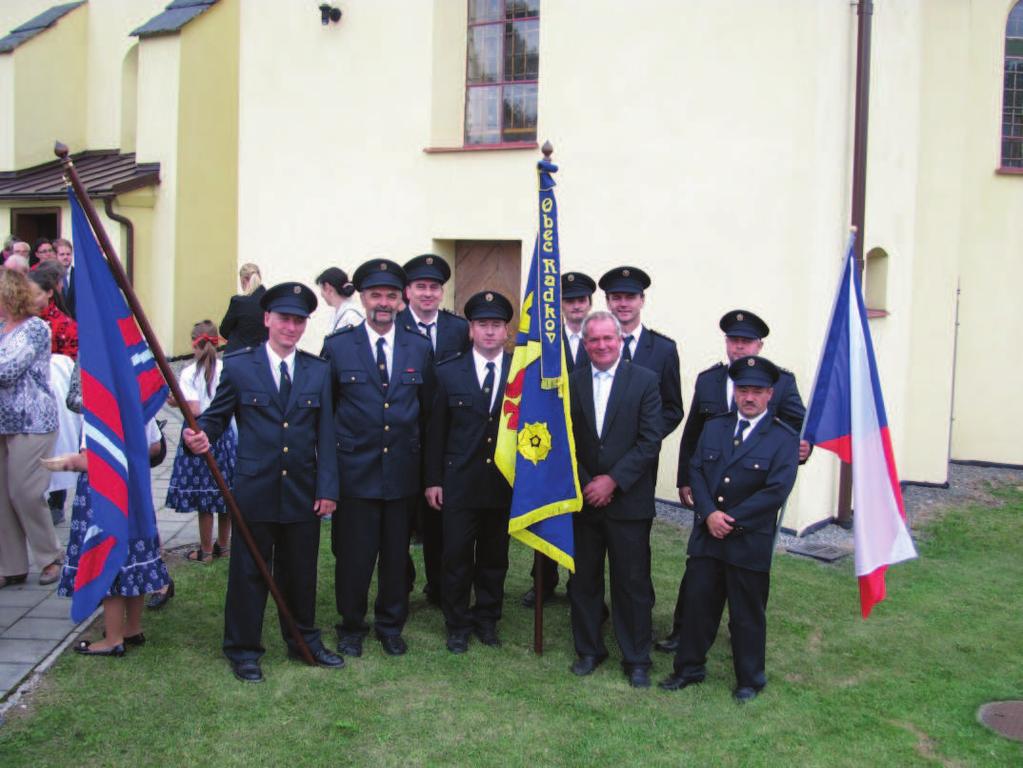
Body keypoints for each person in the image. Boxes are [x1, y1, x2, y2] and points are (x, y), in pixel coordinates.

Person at [183, 282, 342, 683]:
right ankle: (243, 648)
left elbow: (326, 434)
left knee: (301, 572)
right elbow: (215, 419)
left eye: (299, 320)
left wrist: (327, 488)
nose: (291, 327)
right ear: (267, 320)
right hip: (254, 488)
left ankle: (303, 638)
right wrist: (198, 436)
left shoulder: (317, 370)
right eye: (284, 319)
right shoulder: (238, 366)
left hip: (303, 491)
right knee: (249, 572)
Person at [657, 308, 810, 653]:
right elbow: (694, 431)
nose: (739, 348)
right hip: (710, 492)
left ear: (760, 345)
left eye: (746, 342)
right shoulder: (709, 380)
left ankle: (738, 633)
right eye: (733, 341)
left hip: (753, 493)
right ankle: (685, 631)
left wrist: (805, 448)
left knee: (747, 574)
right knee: (699, 569)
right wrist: (684, 479)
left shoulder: (780, 383)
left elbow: (798, 428)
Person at [659, 356, 799, 702]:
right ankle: (688, 668)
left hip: (748, 541)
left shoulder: (783, 438)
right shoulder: (715, 427)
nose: (748, 397)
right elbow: (697, 471)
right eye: (742, 390)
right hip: (708, 535)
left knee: (746, 614)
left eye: (756, 391)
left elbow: (776, 491)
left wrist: (729, 519)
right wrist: (708, 514)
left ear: (770, 394)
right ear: (735, 392)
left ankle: (750, 679)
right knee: (697, 606)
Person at [322, 259, 434, 658]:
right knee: (354, 557)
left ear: (401, 301)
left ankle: (390, 625)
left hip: (402, 474)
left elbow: (427, 413)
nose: (383, 303)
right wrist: (329, 480)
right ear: (363, 298)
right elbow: (326, 415)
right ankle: (351, 625)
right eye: (375, 295)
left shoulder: (418, 347)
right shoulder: (338, 347)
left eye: (390, 295)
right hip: (355, 474)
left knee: (395, 558)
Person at [567, 311, 663, 688]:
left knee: (632, 583)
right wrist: (588, 482)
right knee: (584, 581)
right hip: (584, 500)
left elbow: (649, 440)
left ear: (620, 341)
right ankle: (589, 649)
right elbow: (566, 441)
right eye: (595, 340)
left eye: (609, 339)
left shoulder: (645, 382)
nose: (602, 345)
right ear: (586, 343)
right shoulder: (571, 383)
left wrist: (613, 481)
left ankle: (636, 656)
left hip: (628, 503)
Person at [425, 290, 513, 653]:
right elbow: (435, 431)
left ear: (507, 331)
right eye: (482, 325)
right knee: (457, 556)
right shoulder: (447, 372)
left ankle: (487, 619)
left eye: (496, 325)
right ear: (471, 330)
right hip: (459, 482)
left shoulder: (519, 372)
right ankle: (457, 623)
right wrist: (432, 479)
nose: (490, 332)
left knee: (494, 558)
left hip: (503, 483)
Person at [49, 419, 171, 656]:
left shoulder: (99, 407)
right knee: (134, 557)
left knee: (106, 559)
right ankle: (132, 628)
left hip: (105, 493)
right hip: (135, 487)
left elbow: (89, 460)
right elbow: (156, 447)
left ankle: (113, 638)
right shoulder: (137, 404)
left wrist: (69, 462)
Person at [521, 270, 596, 610]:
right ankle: (544, 582)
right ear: (560, 305)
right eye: (569, 300)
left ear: (590, 303)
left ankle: (580, 583)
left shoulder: (601, 338)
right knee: (549, 510)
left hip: (591, 448)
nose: (576, 306)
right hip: (553, 443)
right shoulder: (547, 340)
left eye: (581, 300)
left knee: (585, 526)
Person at [397, 253, 469, 604]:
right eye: (420, 286)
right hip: (403, 437)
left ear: (442, 292)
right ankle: (403, 582)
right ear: (407, 291)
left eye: (434, 287)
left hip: (448, 439)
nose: (428, 293)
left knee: (440, 515)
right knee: (402, 516)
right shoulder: (394, 325)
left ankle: (440, 586)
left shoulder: (458, 328)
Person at [0, 269, 63, 588]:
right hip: (2, 422)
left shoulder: (35, 328)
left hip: (32, 420)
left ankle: (50, 556)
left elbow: (8, 370)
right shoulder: (0, 328)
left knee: (25, 492)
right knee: (2, 495)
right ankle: (11, 566)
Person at [165, 320, 235, 563]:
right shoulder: (227, 368)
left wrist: (175, 403)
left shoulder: (188, 372)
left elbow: (194, 408)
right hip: (224, 433)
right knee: (225, 492)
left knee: (204, 498)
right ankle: (225, 546)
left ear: (195, 344)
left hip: (197, 434)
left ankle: (206, 550)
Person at [599, 266, 683, 440]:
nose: (623, 304)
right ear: (608, 302)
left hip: (642, 460)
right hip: (597, 457)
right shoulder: (593, 347)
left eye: (630, 297)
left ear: (642, 300)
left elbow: (672, 410)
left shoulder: (664, 349)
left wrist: (646, 440)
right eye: (616, 298)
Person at [28, 262, 78, 360]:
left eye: (36, 295)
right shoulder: (18, 321)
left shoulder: (65, 325)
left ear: (49, 293)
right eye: (27, 295)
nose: (30, 300)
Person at [219, 263, 268, 353]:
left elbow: (224, 331)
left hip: (240, 356)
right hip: (265, 356)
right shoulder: (270, 300)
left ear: (243, 280)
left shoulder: (238, 302)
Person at [316, 267, 364, 334]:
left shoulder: (352, 316)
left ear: (327, 287)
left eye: (321, 289)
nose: (321, 295)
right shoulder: (338, 314)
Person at [53, 239, 75, 318]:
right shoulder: (51, 276)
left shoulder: (79, 275)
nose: (66, 257)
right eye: (62, 254)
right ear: (55, 256)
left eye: (68, 254)